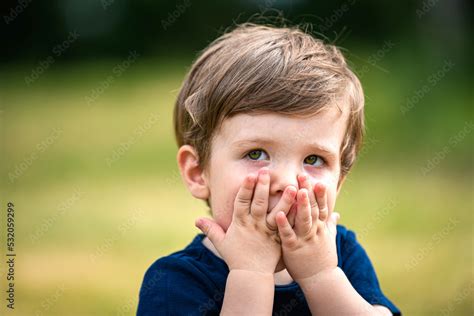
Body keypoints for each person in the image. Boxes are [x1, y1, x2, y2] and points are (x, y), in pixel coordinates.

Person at [137, 22, 401, 315]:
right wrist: (250, 275)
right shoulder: (174, 282)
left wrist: (321, 276)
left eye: (314, 160)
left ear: (338, 182)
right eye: (256, 153)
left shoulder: (342, 254)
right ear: (198, 172)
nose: (287, 182)